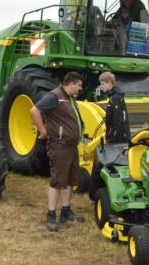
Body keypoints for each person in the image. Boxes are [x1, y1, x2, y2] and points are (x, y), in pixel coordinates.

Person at [30, 72, 86, 232]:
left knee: (70, 179)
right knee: (57, 180)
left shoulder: (69, 97)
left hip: (71, 145)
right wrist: (43, 131)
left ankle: (66, 211)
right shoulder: (54, 96)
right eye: (79, 85)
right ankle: (51, 214)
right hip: (59, 145)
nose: (80, 88)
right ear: (71, 84)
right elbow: (34, 111)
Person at [99, 72, 130, 143]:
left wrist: (111, 138)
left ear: (109, 83)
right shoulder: (114, 97)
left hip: (117, 139)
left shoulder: (115, 98)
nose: (101, 86)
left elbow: (117, 121)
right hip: (118, 137)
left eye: (102, 84)